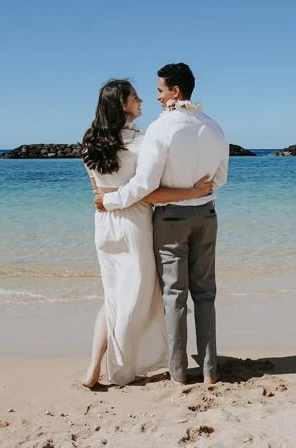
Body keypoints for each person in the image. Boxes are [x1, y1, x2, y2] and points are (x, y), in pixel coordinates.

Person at [96, 63, 229, 385]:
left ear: (175, 92)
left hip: (171, 218)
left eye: (158, 90)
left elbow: (145, 186)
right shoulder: (213, 126)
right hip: (207, 214)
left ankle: (180, 373)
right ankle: (210, 372)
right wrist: (198, 191)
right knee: (206, 294)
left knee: (175, 295)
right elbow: (221, 179)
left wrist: (110, 201)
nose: (155, 97)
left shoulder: (161, 128)